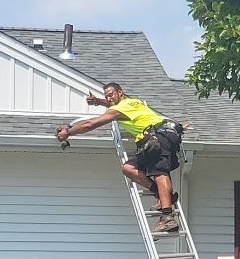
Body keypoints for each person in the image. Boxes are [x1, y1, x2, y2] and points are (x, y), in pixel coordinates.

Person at [55, 82, 184, 233]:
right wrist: (98, 101)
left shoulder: (118, 109)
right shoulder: (132, 102)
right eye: (106, 96)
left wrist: (68, 133)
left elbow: (91, 124)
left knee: (159, 173)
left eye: (111, 95)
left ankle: (168, 217)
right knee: (128, 168)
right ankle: (163, 195)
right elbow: (113, 103)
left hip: (157, 138)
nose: (109, 99)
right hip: (165, 134)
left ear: (120, 93)